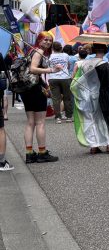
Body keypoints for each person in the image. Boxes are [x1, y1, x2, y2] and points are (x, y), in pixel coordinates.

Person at [71, 43, 109, 155]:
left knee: (92, 119)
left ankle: (94, 146)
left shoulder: (84, 63)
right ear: (105, 50)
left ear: (93, 50)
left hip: (88, 95)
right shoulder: (107, 64)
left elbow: (80, 79)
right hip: (105, 95)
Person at [23, 34, 58, 163]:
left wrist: (45, 85)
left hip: (27, 89)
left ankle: (29, 153)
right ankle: (42, 153)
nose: (48, 42)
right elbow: (32, 69)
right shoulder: (39, 51)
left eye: (50, 40)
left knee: (30, 122)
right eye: (45, 39)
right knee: (40, 122)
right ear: (39, 40)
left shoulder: (31, 51)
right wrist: (52, 70)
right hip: (35, 90)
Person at [48, 43, 74, 123]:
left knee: (56, 99)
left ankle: (58, 118)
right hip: (65, 78)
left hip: (53, 78)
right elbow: (68, 66)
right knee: (67, 98)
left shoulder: (50, 56)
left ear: (53, 48)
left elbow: (48, 66)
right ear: (61, 48)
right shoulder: (66, 55)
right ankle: (69, 117)